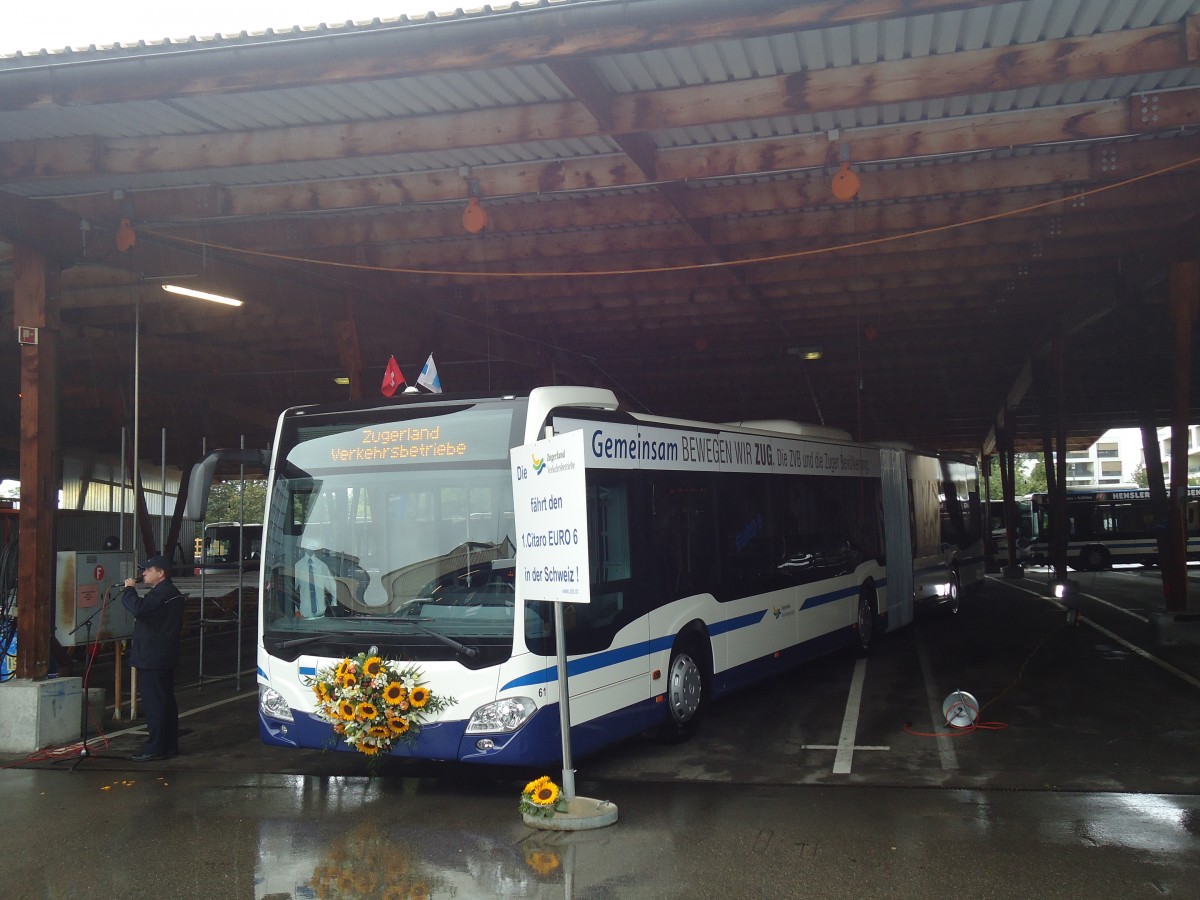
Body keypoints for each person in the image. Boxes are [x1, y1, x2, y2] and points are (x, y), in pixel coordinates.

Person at [120, 554, 186, 761]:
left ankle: (156, 747)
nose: (143, 573)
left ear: (161, 573)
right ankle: (168, 744)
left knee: (155, 702)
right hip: (163, 654)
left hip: (152, 656)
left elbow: (140, 610)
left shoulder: (162, 594)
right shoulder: (169, 593)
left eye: (148, 570)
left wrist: (129, 590)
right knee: (165, 700)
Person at [295, 540, 337, 618]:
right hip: (304, 615)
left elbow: (333, 587)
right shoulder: (298, 566)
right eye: (308, 544)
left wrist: (333, 607)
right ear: (304, 547)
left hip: (322, 614)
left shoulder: (322, 566)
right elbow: (290, 591)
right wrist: (296, 610)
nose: (310, 547)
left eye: (312, 545)